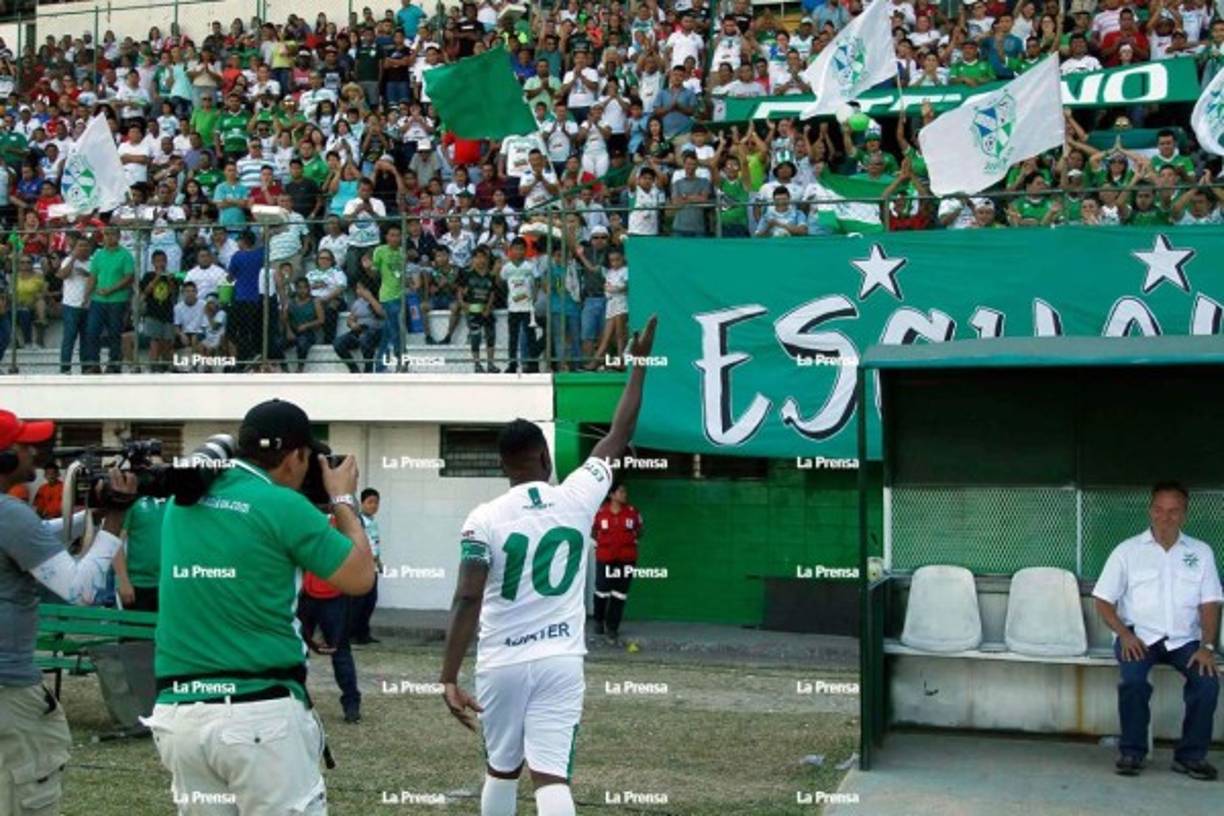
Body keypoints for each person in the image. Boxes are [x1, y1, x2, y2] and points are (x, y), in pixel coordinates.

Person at [441, 315, 658, 816]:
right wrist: (639, 364)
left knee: (502, 769)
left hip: (502, 664)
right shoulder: (577, 496)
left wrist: (448, 675)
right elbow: (620, 431)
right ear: (544, 456)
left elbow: (468, 597)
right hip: (561, 661)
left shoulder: (483, 519)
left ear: (502, 465)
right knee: (551, 776)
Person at [140, 399, 375, 813]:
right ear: (296, 456)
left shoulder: (185, 498)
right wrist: (343, 500)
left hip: (179, 714)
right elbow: (360, 577)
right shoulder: (284, 507)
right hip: (258, 714)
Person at [0, 409, 132, 816]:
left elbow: (32, 539)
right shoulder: (10, 514)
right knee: (27, 797)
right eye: (26, 445)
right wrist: (114, 521)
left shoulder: (13, 518)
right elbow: (81, 591)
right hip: (9, 691)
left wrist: (86, 515)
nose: (36, 452)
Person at [1092, 481, 1221, 780]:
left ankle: (1190, 757)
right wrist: (1124, 634)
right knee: (1133, 681)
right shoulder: (1127, 551)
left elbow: (1210, 603)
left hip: (1185, 640)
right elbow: (1102, 599)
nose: (1166, 517)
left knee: (1207, 684)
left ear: (1185, 514)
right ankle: (1132, 752)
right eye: (1160, 510)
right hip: (1139, 637)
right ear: (1150, 511)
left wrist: (1207, 646)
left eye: (1174, 511)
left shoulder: (1201, 553)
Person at [592, 481, 644, 644]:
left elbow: (640, 530)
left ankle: (612, 628)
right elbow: (593, 531)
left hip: (626, 560)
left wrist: (629, 541)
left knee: (619, 595)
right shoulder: (600, 513)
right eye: (621, 492)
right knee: (602, 590)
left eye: (625, 492)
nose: (624, 495)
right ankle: (598, 621)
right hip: (605, 559)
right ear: (611, 495)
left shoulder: (632, 512)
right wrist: (603, 543)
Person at [113, 495, 167, 611]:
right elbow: (116, 542)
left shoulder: (179, 500)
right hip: (138, 585)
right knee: (135, 628)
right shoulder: (133, 500)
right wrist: (123, 581)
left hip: (170, 584)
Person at [350, 487, 382, 645]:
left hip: (373, 568)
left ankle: (364, 633)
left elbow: (374, 543)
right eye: (370, 502)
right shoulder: (358, 522)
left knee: (370, 601)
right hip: (362, 568)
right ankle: (354, 634)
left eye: (376, 502)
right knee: (359, 603)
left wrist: (379, 561)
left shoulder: (373, 522)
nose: (373, 506)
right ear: (362, 503)